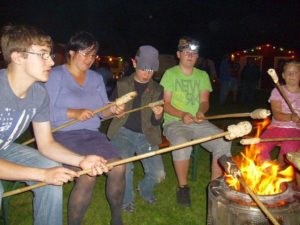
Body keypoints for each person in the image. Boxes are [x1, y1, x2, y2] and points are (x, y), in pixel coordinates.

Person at [0, 25, 108, 225]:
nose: (51, 61)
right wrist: (42, 175)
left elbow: (46, 144)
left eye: (49, 55)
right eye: (42, 55)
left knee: (52, 169)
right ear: (17, 57)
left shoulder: (39, 95)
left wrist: (82, 160)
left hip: (5, 149)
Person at [45, 31, 125, 225]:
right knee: (87, 175)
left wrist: (112, 110)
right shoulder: (55, 76)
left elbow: (101, 111)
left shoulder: (96, 79)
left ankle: (116, 217)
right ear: (72, 52)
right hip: (62, 135)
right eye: (86, 54)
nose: (90, 59)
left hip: (91, 135)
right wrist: (73, 112)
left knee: (119, 166)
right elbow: (44, 112)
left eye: (93, 55)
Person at [160, 36, 231, 207]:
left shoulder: (202, 75)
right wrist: (182, 114)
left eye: (194, 53)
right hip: (175, 122)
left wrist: (201, 111)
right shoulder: (170, 74)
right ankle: (183, 187)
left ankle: (215, 187)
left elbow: (205, 101)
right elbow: (166, 104)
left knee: (223, 140)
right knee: (182, 143)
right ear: (178, 54)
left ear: (197, 57)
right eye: (186, 52)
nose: (190, 56)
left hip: (199, 122)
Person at [107, 45, 165, 213]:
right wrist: (115, 110)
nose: (147, 73)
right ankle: (126, 200)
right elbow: (109, 110)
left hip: (146, 135)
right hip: (123, 133)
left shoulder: (157, 89)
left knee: (159, 173)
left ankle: (145, 190)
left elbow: (155, 124)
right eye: (143, 68)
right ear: (134, 63)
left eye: (151, 70)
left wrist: (158, 115)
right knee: (126, 168)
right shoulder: (122, 84)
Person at [258, 61, 300, 163]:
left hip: (295, 130)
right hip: (276, 127)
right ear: (283, 76)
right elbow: (277, 114)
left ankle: (280, 168)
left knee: (288, 149)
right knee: (259, 147)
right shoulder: (277, 91)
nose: (291, 75)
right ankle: (268, 171)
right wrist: (290, 117)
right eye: (288, 72)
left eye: (294, 72)